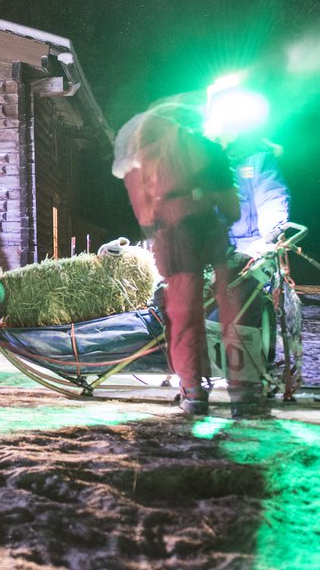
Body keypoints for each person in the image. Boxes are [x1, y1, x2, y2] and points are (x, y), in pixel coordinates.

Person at [115, 104, 251, 417]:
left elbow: (145, 215)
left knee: (183, 314)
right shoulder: (211, 149)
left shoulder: (145, 160)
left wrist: (162, 228)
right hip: (211, 235)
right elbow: (232, 208)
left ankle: (193, 392)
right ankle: (243, 393)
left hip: (175, 241)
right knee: (233, 310)